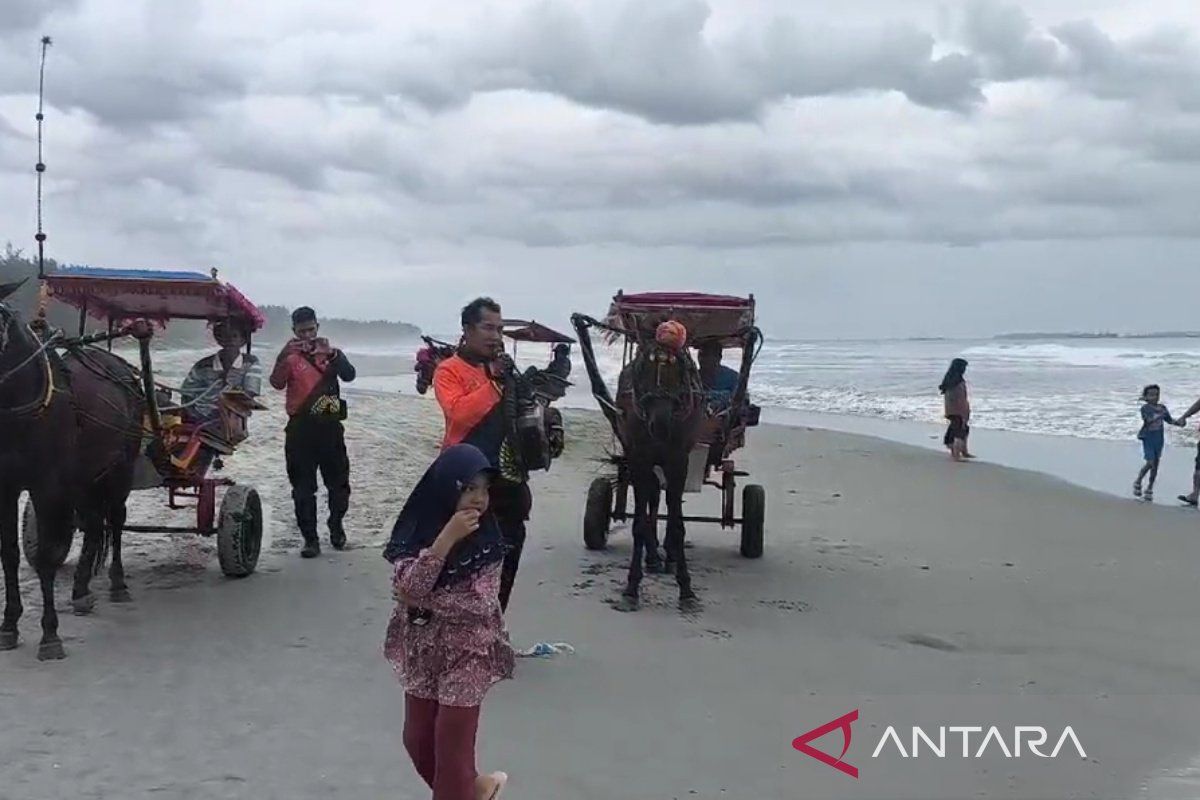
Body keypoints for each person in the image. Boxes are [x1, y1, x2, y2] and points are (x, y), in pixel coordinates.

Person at [382, 444, 512, 800]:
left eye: (485, 489)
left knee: (452, 749)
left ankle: (466, 791)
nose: (479, 499)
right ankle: (478, 790)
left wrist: (421, 600)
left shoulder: (489, 543)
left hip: (468, 652)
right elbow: (406, 584)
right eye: (469, 488)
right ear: (446, 489)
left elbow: (479, 606)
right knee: (417, 740)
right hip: (423, 651)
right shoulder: (417, 532)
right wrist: (445, 540)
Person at [432, 297, 530, 612]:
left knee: (507, 556)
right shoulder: (449, 370)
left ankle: (495, 625)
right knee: (465, 559)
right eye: (488, 327)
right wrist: (494, 384)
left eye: (500, 329)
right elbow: (459, 415)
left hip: (508, 479)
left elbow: (524, 412)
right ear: (467, 329)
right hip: (466, 481)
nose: (495, 336)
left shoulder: (503, 369)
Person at [270, 306, 357, 558]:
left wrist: (332, 354)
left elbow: (350, 375)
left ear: (317, 327)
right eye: (302, 331)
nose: (307, 336)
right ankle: (310, 539)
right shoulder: (290, 357)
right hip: (300, 427)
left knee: (339, 484)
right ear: (294, 332)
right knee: (302, 488)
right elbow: (276, 383)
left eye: (311, 329)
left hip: (330, 424)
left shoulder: (331, 355)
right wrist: (283, 355)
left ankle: (336, 524)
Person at [179, 318, 263, 425]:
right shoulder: (202, 365)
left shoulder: (251, 363)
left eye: (234, 336)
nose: (230, 340)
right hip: (201, 417)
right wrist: (189, 417)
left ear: (243, 339)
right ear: (219, 339)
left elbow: (250, 393)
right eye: (225, 336)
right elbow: (187, 393)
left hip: (231, 420)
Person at [1134, 385, 1183, 501]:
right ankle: (1138, 480)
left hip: (1159, 438)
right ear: (1146, 397)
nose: (1155, 397)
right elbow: (1148, 420)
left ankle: (1150, 487)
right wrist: (1159, 415)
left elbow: (1169, 420)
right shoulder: (1145, 408)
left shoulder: (1162, 408)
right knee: (1150, 462)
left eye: (1156, 394)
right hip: (1148, 437)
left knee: (1156, 464)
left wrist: (1179, 423)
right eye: (1151, 395)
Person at [939, 358, 973, 462]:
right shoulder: (957, 382)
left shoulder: (949, 380)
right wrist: (965, 411)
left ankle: (961, 451)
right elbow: (961, 398)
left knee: (959, 429)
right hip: (958, 410)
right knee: (960, 431)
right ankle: (957, 455)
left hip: (950, 409)